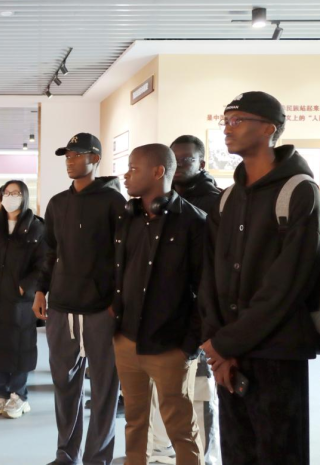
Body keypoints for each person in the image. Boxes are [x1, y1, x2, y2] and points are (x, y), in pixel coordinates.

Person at [200, 92, 320, 465]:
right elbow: (210, 275)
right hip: (229, 355)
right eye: (225, 121)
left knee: (278, 452)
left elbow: (287, 286)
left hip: (276, 351)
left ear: (269, 129)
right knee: (236, 453)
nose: (227, 129)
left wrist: (225, 343)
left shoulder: (299, 191)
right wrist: (217, 343)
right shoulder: (227, 198)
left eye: (238, 120)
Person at [33, 133, 124, 465]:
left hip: (100, 311)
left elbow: (123, 257)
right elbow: (50, 252)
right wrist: (41, 290)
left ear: (95, 158)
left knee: (103, 389)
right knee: (64, 385)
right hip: (61, 308)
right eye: (67, 155)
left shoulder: (115, 202)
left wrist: (116, 303)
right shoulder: (58, 203)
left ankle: (97, 458)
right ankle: (66, 453)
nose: (70, 161)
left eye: (77, 154)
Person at [112, 144, 205, 465]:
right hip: (126, 339)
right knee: (134, 420)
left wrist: (189, 345)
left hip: (171, 345)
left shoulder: (193, 222)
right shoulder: (128, 218)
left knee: (181, 427)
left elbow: (205, 290)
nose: (126, 175)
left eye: (133, 168)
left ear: (158, 172)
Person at [144, 135, 222, 464]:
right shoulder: (159, 200)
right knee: (161, 393)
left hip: (197, 317)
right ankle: (160, 452)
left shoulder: (215, 203)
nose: (178, 165)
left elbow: (214, 271)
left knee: (198, 394)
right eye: (174, 159)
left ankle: (204, 457)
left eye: (186, 159)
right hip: (161, 316)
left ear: (201, 163)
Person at [0, 180, 45, 419]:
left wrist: (26, 287)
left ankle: (19, 395)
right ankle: (2, 392)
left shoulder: (36, 227)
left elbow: (43, 263)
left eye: (16, 193)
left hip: (18, 300)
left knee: (18, 345)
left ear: (24, 197)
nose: (10, 197)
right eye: (7, 193)